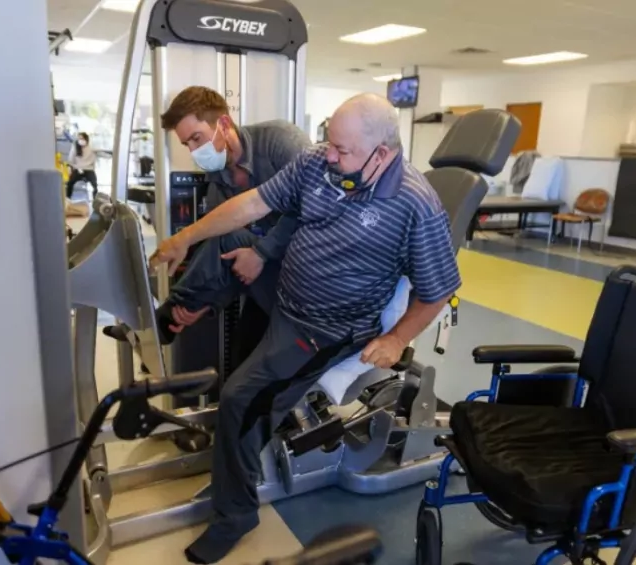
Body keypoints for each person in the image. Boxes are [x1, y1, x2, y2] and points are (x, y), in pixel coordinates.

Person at [149, 93, 461, 564]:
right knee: (230, 245)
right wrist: (183, 238)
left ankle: (235, 516)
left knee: (240, 399)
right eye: (329, 144)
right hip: (287, 299)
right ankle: (175, 315)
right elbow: (252, 205)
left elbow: (438, 289)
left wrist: (396, 338)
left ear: (382, 153)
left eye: (342, 150)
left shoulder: (416, 204)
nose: (329, 156)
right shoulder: (318, 162)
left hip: (325, 329)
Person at [103, 86, 310, 354]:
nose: (193, 151)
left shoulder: (280, 141)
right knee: (242, 357)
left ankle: (160, 321)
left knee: (231, 239)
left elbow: (315, 211)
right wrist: (203, 305)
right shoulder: (219, 181)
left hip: (309, 275)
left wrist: (261, 252)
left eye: (196, 138)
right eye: (186, 144)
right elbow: (222, 260)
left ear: (223, 124)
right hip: (274, 272)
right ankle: (169, 318)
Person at [66, 132, 99, 199]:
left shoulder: (91, 147)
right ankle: (68, 199)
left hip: (89, 169)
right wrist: (70, 167)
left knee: (94, 185)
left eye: (82, 138)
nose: (80, 140)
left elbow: (98, 153)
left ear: (86, 139)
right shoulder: (75, 147)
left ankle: (95, 199)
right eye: (79, 139)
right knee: (70, 183)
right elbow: (70, 159)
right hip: (78, 168)